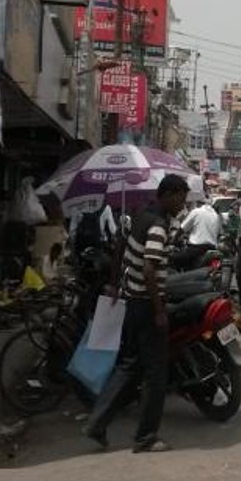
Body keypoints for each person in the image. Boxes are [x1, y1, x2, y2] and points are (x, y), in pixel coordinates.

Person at [84, 174, 190, 454]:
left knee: (130, 367)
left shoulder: (141, 216)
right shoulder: (157, 225)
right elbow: (149, 269)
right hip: (146, 305)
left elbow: (121, 248)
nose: (182, 204)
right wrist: (159, 310)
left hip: (133, 302)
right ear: (167, 194)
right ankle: (145, 437)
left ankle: (96, 423)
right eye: (180, 197)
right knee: (156, 375)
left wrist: (116, 282)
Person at [174, 196, 221, 269]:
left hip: (196, 249)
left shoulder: (196, 211)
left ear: (198, 203)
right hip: (212, 248)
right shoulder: (216, 215)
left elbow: (182, 229)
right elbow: (218, 233)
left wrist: (174, 240)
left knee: (174, 259)